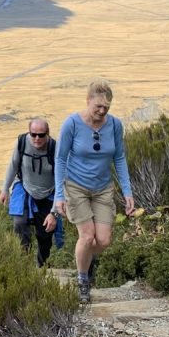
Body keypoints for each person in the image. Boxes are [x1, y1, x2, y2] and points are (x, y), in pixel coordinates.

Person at [54, 79, 134, 305]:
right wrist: (59, 195)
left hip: (103, 188)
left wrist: (127, 191)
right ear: (88, 101)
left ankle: (85, 260)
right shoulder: (72, 124)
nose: (102, 111)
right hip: (76, 186)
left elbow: (119, 157)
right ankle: (82, 281)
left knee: (104, 240)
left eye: (106, 108)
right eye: (97, 106)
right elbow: (60, 159)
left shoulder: (115, 126)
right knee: (87, 236)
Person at [0, 118, 60, 266]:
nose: (37, 138)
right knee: (19, 224)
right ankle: (24, 260)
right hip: (26, 189)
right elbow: (13, 165)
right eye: (33, 134)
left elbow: (61, 180)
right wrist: (5, 189)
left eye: (41, 135)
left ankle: (41, 263)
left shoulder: (54, 148)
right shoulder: (21, 142)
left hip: (48, 193)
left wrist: (54, 213)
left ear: (48, 134)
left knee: (45, 234)